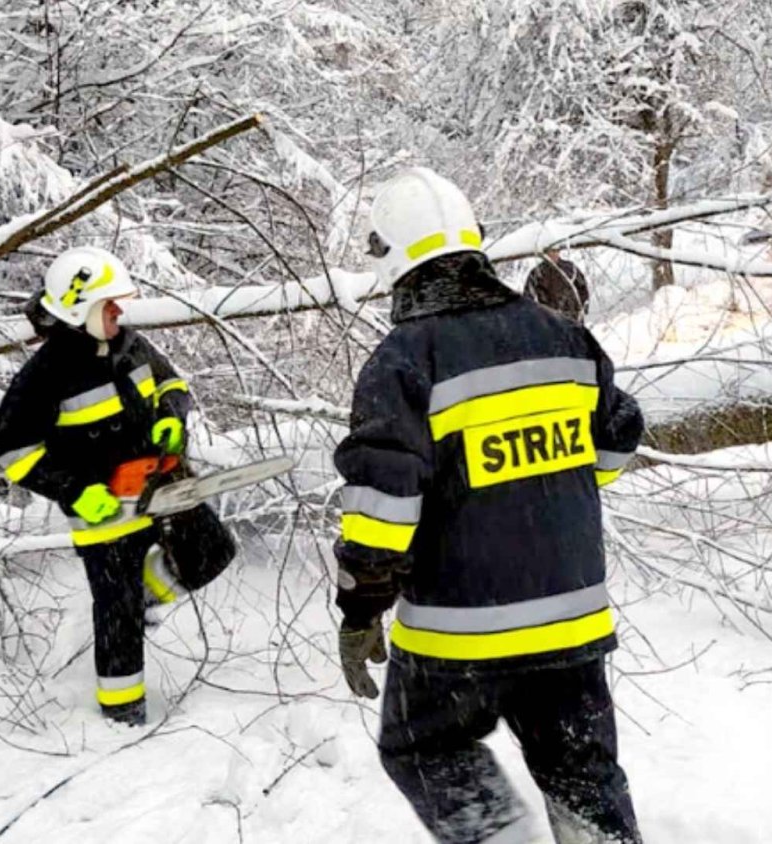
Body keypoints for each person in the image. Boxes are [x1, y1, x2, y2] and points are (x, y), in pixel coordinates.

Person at [334, 168, 646, 843]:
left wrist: (360, 607)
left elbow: (382, 507)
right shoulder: (561, 335)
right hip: (571, 623)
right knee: (582, 774)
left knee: (422, 747)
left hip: (458, 631)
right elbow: (616, 441)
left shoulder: (404, 360)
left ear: (394, 258)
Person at [0, 245, 198, 727]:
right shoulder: (44, 375)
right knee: (117, 614)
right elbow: (13, 450)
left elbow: (173, 386)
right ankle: (122, 715)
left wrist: (172, 419)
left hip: (156, 489)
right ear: (79, 310)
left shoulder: (131, 346)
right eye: (109, 305)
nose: (119, 312)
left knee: (206, 549)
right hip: (100, 511)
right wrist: (73, 489)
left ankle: (148, 596)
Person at [523, 247, 590, 322]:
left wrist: (584, 307)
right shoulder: (538, 272)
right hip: (549, 317)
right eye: (551, 251)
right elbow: (528, 295)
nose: (553, 254)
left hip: (572, 315)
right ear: (545, 253)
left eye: (556, 251)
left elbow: (582, 286)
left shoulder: (570, 268)